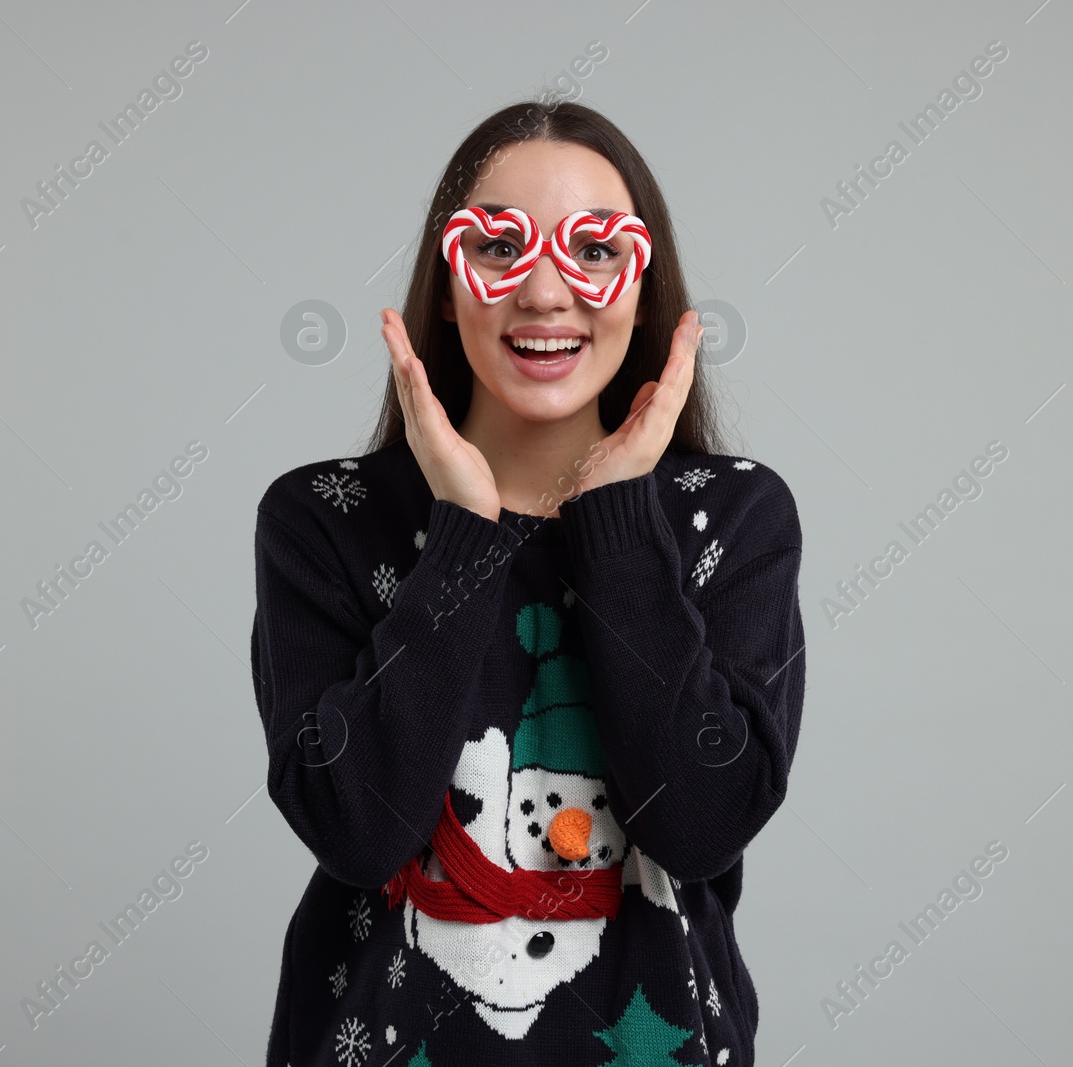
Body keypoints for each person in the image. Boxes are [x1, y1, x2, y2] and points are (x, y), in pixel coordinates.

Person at [251, 100, 805, 1067]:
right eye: (501, 245)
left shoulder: (732, 517)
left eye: (594, 252)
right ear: (445, 278)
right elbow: (354, 827)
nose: (546, 291)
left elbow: (703, 821)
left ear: (643, 285)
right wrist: (464, 534)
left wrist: (619, 525)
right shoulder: (325, 519)